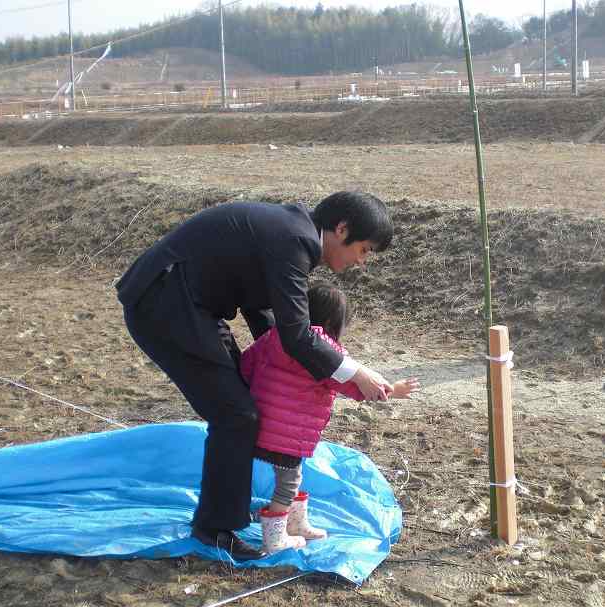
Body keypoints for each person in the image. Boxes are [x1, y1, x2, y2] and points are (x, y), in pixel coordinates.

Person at [117, 192, 395, 560]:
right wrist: (356, 372)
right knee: (236, 411)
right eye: (364, 250)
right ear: (341, 228)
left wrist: (278, 365)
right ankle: (215, 527)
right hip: (165, 302)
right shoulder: (296, 241)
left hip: (189, 304)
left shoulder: (293, 235)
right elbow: (296, 334)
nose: (362, 262)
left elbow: (265, 313)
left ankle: (226, 508)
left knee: (244, 398)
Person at [242, 284, 419, 554]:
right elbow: (354, 385)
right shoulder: (325, 350)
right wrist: (393, 391)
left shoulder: (276, 336)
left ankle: (296, 523)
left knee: (291, 476)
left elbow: (247, 363)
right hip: (290, 433)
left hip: (264, 423)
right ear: (331, 322)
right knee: (288, 482)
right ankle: (274, 538)